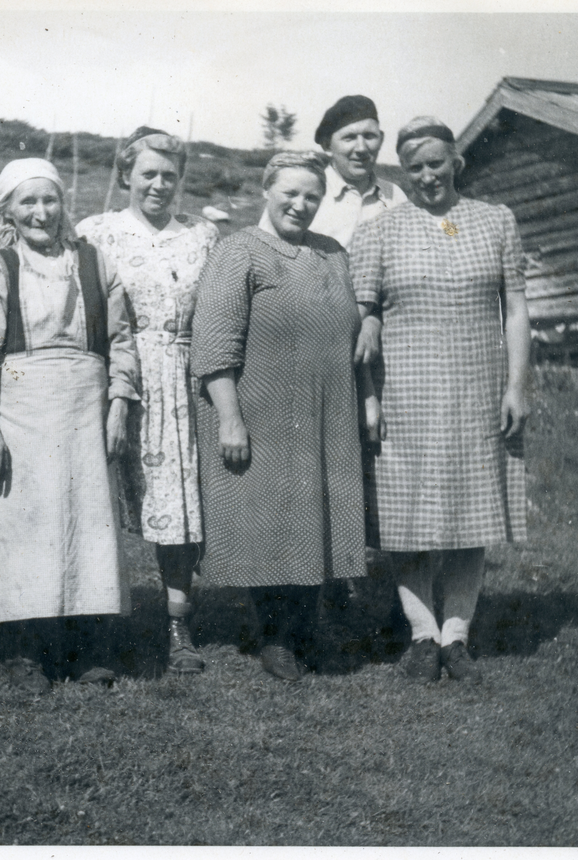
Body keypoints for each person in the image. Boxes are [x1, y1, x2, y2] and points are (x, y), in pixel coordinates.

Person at [349, 117, 530, 684]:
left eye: (435, 163)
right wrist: (370, 389)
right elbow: (361, 311)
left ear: (456, 161)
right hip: (406, 390)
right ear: (403, 171)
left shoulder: (496, 221)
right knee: (407, 518)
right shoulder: (381, 229)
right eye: (414, 167)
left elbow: (517, 309)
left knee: (472, 514)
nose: (426, 176)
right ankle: (421, 635)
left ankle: (457, 637)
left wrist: (517, 385)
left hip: (479, 388)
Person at [0, 158, 141, 694]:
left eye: (49, 200)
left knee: (87, 526)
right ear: (8, 210)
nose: (40, 212)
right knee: (22, 526)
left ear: (63, 205)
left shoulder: (94, 263)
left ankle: (87, 648)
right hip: (21, 411)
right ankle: (24, 649)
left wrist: (119, 403)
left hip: (85, 409)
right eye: (27, 202)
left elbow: (122, 339)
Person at [190, 151, 378, 682]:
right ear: (266, 191)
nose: (301, 204)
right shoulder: (238, 252)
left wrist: (366, 395)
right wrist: (230, 418)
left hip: (327, 410)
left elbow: (352, 334)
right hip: (261, 407)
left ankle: (306, 630)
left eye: (312, 196)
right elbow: (213, 345)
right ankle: (275, 637)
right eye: (290, 193)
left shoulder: (332, 254)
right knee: (271, 523)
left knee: (316, 517)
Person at [77, 127, 220, 675]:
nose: (160, 185)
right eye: (148, 174)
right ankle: (98, 625)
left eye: (170, 176)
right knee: (101, 505)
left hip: (184, 383)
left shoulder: (202, 235)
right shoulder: (97, 232)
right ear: (126, 177)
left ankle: (178, 624)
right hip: (117, 379)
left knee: (179, 514)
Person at [309, 94, 404, 368]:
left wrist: (374, 319)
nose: (361, 148)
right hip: (314, 335)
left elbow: (404, 272)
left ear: (382, 139)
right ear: (328, 144)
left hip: (379, 344)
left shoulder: (394, 196)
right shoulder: (308, 192)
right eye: (349, 138)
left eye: (370, 137)